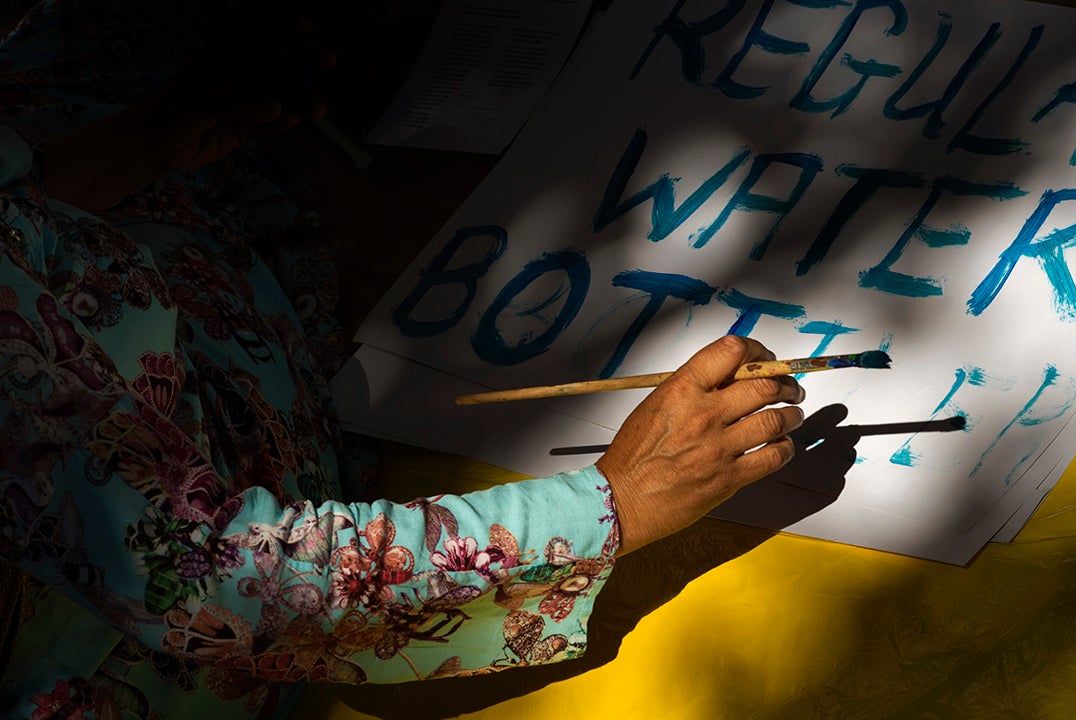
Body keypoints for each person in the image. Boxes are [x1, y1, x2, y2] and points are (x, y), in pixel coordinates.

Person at [0, 1, 805, 717]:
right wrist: (619, 500)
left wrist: (131, 149)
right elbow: (207, 578)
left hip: (264, 356)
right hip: (210, 648)